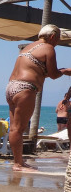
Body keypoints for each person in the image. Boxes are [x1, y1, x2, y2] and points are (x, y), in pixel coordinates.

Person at [6, 24, 71, 171]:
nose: (57, 42)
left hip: (11, 87)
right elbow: (53, 74)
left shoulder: (28, 48)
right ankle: (18, 164)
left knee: (14, 128)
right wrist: (65, 71)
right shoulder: (48, 48)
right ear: (52, 36)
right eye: (58, 39)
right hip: (25, 88)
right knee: (19, 128)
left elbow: (39, 71)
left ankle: (18, 162)